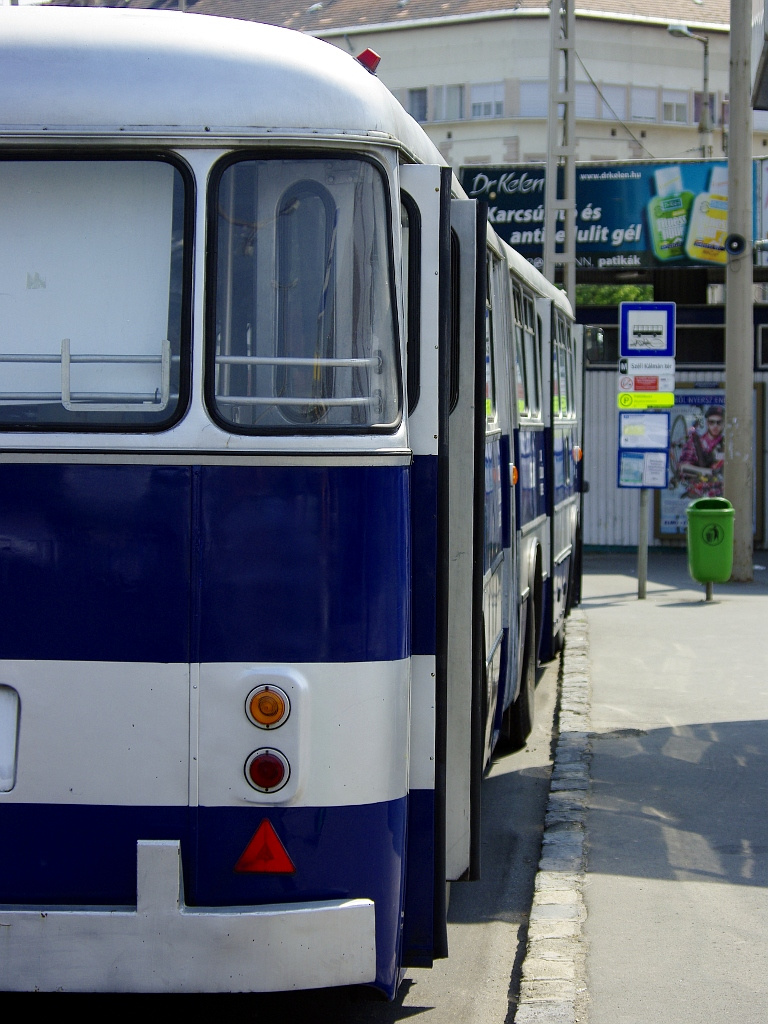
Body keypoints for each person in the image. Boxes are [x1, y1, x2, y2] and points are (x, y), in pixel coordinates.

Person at [678, 405, 724, 497]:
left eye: (719, 423)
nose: (715, 426)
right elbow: (683, 467)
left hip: (719, 495)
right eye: (712, 422)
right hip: (698, 494)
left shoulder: (726, 444)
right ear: (707, 423)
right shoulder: (695, 442)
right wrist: (707, 471)